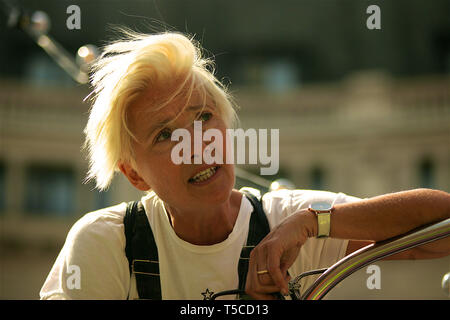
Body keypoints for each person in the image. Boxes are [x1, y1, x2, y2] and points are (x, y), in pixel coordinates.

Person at [40, 30, 450, 300]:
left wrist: (314, 222)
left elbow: (442, 229)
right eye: (165, 135)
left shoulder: (286, 221)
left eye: (204, 117)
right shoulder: (106, 244)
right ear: (134, 175)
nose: (197, 145)